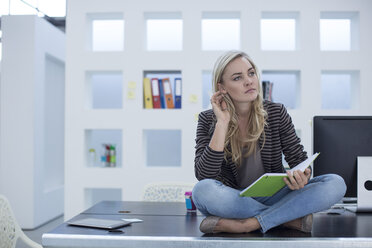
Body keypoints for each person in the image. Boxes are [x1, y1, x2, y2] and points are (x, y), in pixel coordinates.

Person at [192, 50, 346, 234]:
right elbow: (204, 175)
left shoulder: (276, 112)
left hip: (274, 196)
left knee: (335, 183)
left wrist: (302, 175)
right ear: (221, 87)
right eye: (237, 78)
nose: (249, 81)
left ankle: (249, 224)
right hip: (234, 199)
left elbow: (299, 160)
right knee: (203, 191)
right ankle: (285, 218)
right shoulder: (208, 119)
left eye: (251, 73)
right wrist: (222, 123)